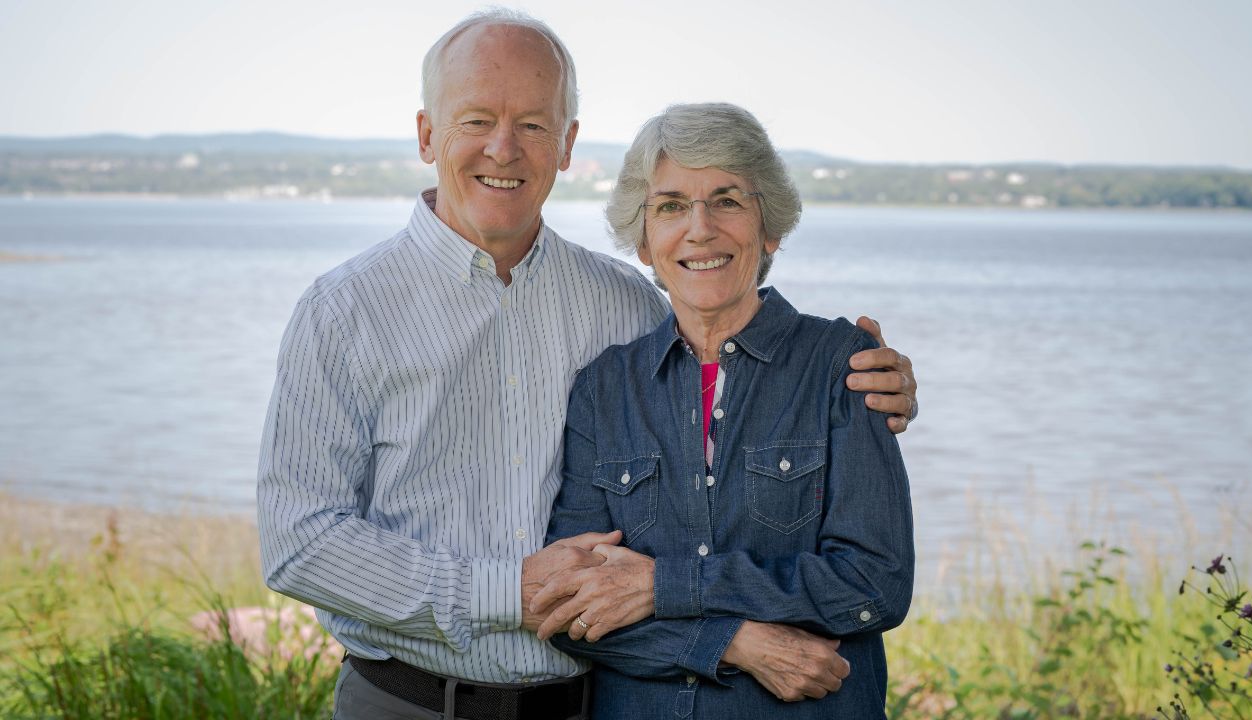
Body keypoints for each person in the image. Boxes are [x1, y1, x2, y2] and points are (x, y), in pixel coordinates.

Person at [257, 9, 919, 720]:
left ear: (568, 143)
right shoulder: (342, 311)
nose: (503, 149)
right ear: (426, 134)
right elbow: (300, 541)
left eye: (534, 125)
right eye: (476, 120)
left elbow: (724, 331)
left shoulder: (624, 307)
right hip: (406, 702)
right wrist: (508, 592)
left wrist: (874, 383)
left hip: (580, 704)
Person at [535, 102, 913, 719]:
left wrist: (663, 587)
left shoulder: (842, 365)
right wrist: (735, 642)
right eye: (671, 205)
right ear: (644, 240)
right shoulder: (604, 389)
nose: (700, 228)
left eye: (728, 200)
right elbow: (576, 600)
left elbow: (875, 586)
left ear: (770, 229)